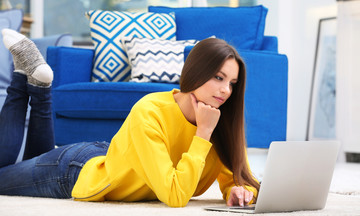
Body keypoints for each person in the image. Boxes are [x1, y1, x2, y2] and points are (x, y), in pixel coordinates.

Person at [0, 29, 260, 207]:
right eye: (218, 77)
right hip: (76, 171)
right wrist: (202, 134)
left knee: (32, 160)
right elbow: (175, 195)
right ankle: (23, 80)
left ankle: (33, 81)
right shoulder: (151, 111)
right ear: (195, 73)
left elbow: (238, 175)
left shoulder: (219, 119)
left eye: (232, 83)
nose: (226, 90)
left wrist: (240, 190)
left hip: (114, 156)